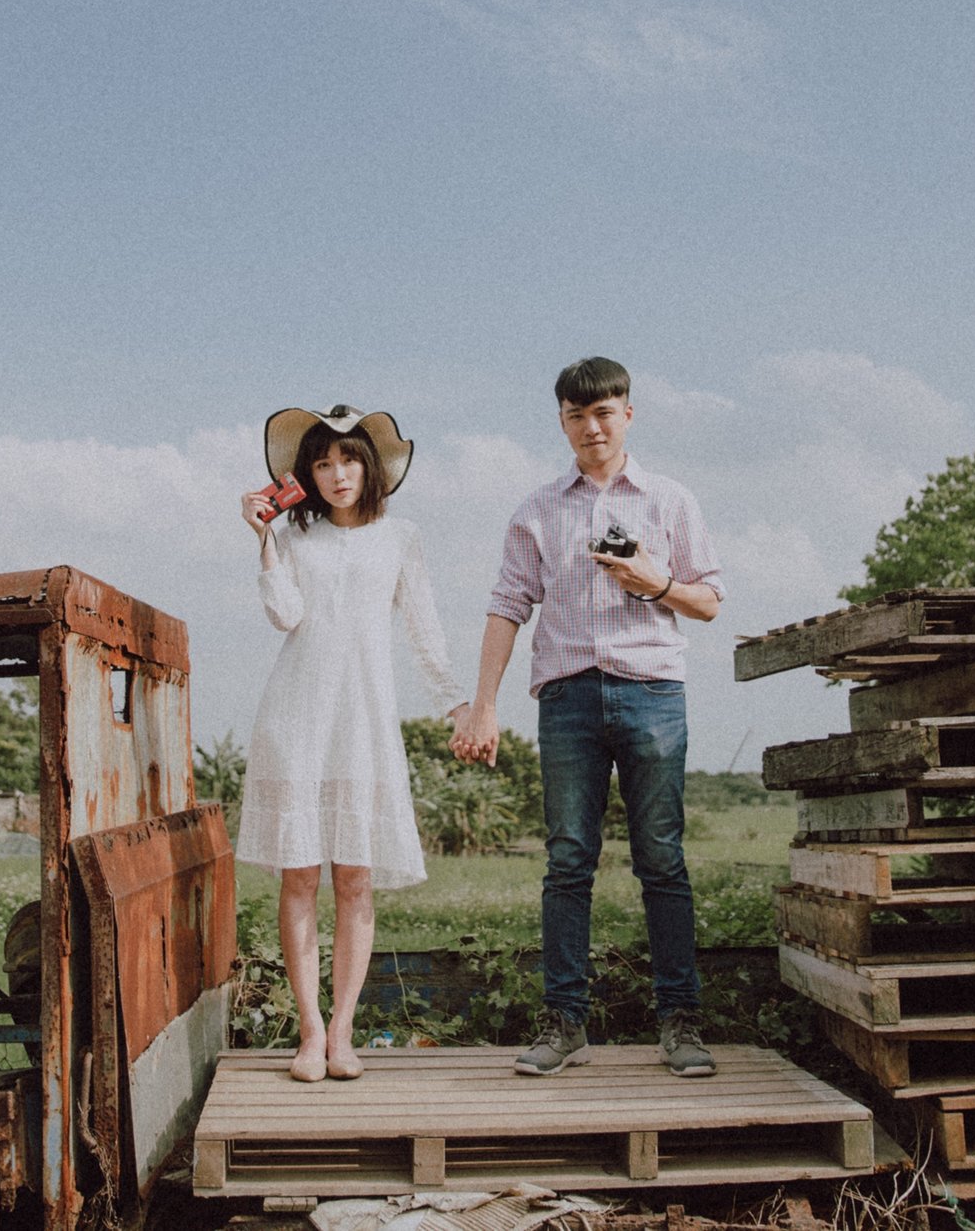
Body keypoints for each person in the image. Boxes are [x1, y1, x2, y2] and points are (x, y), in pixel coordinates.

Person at [447, 356, 724, 1077]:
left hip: (653, 692)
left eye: (604, 412)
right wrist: (484, 705)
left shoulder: (671, 500)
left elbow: (708, 601)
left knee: (661, 857)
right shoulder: (537, 509)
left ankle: (681, 1022)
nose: (591, 426)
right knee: (568, 860)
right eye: (577, 415)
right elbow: (507, 605)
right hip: (567, 696)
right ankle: (565, 1022)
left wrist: (654, 581)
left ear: (628, 414)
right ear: (562, 422)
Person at [237, 402, 458, 1083]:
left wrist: (454, 702)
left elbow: (423, 624)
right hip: (297, 716)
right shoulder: (295, 538)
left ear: (371, 467)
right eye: (323, 463)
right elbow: (285, 614)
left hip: (364, 720)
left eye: (349, 459)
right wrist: (264, 538)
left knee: (355, 879)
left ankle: (342, 1031)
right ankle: (308, 1031)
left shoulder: (401, 536)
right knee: (300, 876)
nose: (337, 474)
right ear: (306, 474)